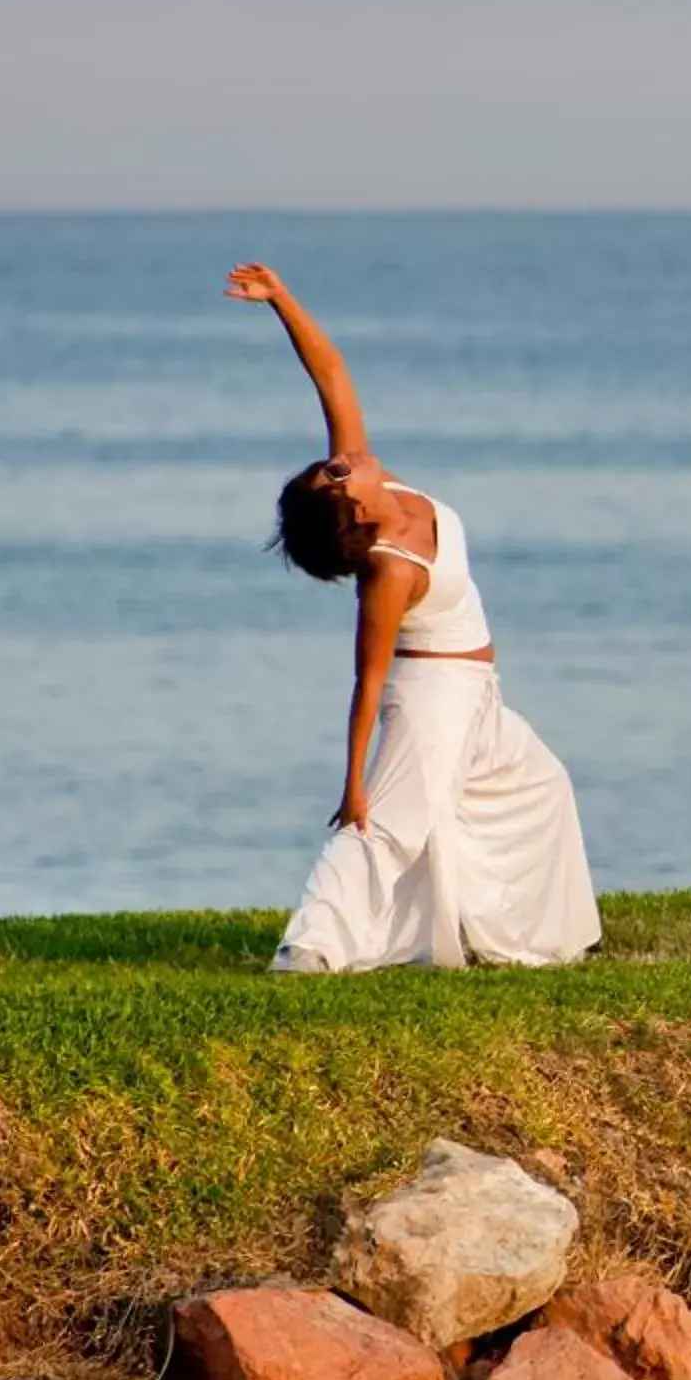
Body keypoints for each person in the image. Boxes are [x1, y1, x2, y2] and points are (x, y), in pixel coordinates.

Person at [230, 262, 601, 972]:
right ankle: (306, 949)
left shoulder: (379, 480)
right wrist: (353, 782)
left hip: (477, 698)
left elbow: (331, 374)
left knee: (541, 784)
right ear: (350, 506)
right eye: (332, 472)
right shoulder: (389, 568)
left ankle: (542, 938)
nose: (343, 458)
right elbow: (367, 681)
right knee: (384, 828)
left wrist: (281, 299)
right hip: (430, 702)